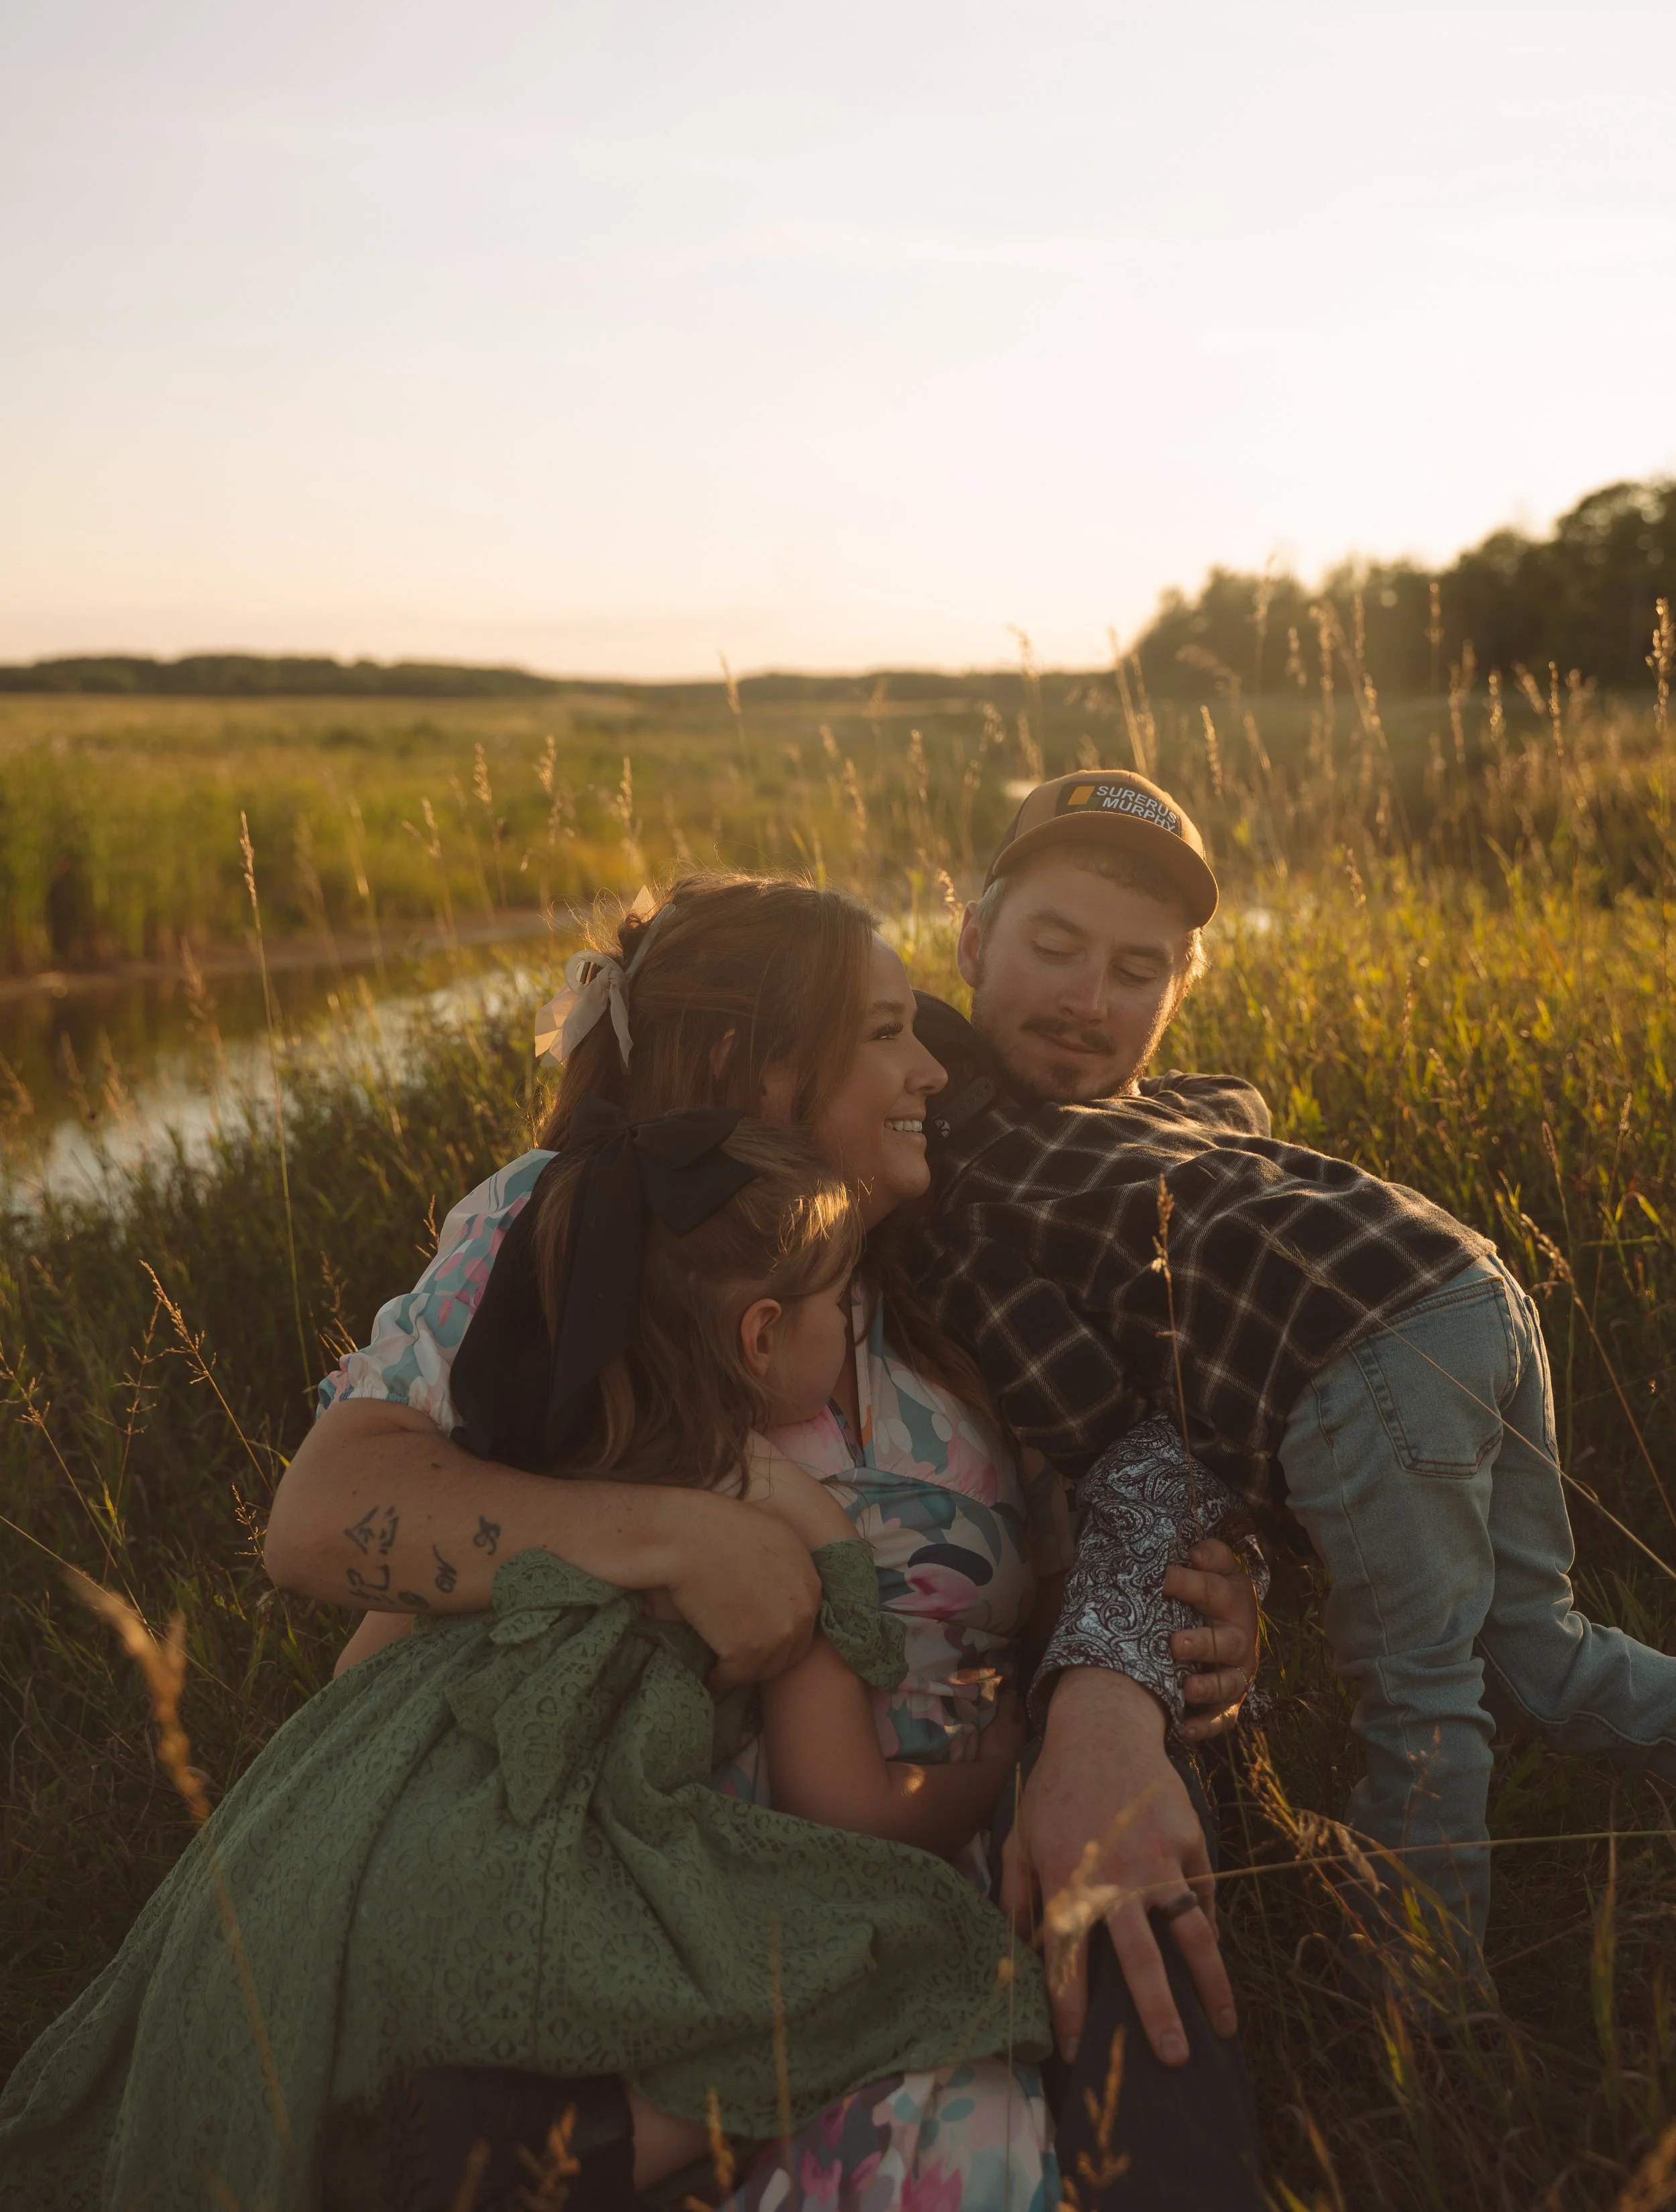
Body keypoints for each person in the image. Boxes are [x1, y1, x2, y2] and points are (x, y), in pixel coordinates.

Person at [264, 871, 1266, 2207]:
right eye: (886, 1033)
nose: (928, 1070)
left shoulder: (940, 1249)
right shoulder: (578, 1216)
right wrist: (683, 1537)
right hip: (687, 1845)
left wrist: (1149, 1646)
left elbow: (1124, 1477)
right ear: (756, 1066)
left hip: (950, 1822)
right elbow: (323, 1518)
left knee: (1089, 1976)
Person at [0, 1113, 1055, 2212]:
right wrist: (998, 1775)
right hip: (548, 1878)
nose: (853, 1322)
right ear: (758, 1337)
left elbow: (364, 1675)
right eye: (843, 1303)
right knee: (896, 1957)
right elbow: (844, 1809)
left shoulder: (541, 1469)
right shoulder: (776, 1529)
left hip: (366, 1839)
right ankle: (571, 2141)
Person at [910, 767, 1676, 1997]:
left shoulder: (983, 1172)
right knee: (1537, 1650)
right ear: (970, 934)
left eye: (1139, 970)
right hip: (1473, 1291)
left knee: (1421, 1700)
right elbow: (1239, 1101)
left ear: (1178, 991)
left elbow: (1092, 1421)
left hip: (1366, 1353)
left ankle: (1425, 2003)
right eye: (1053, 947)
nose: (1087, 1000)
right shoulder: (1140, 1125)